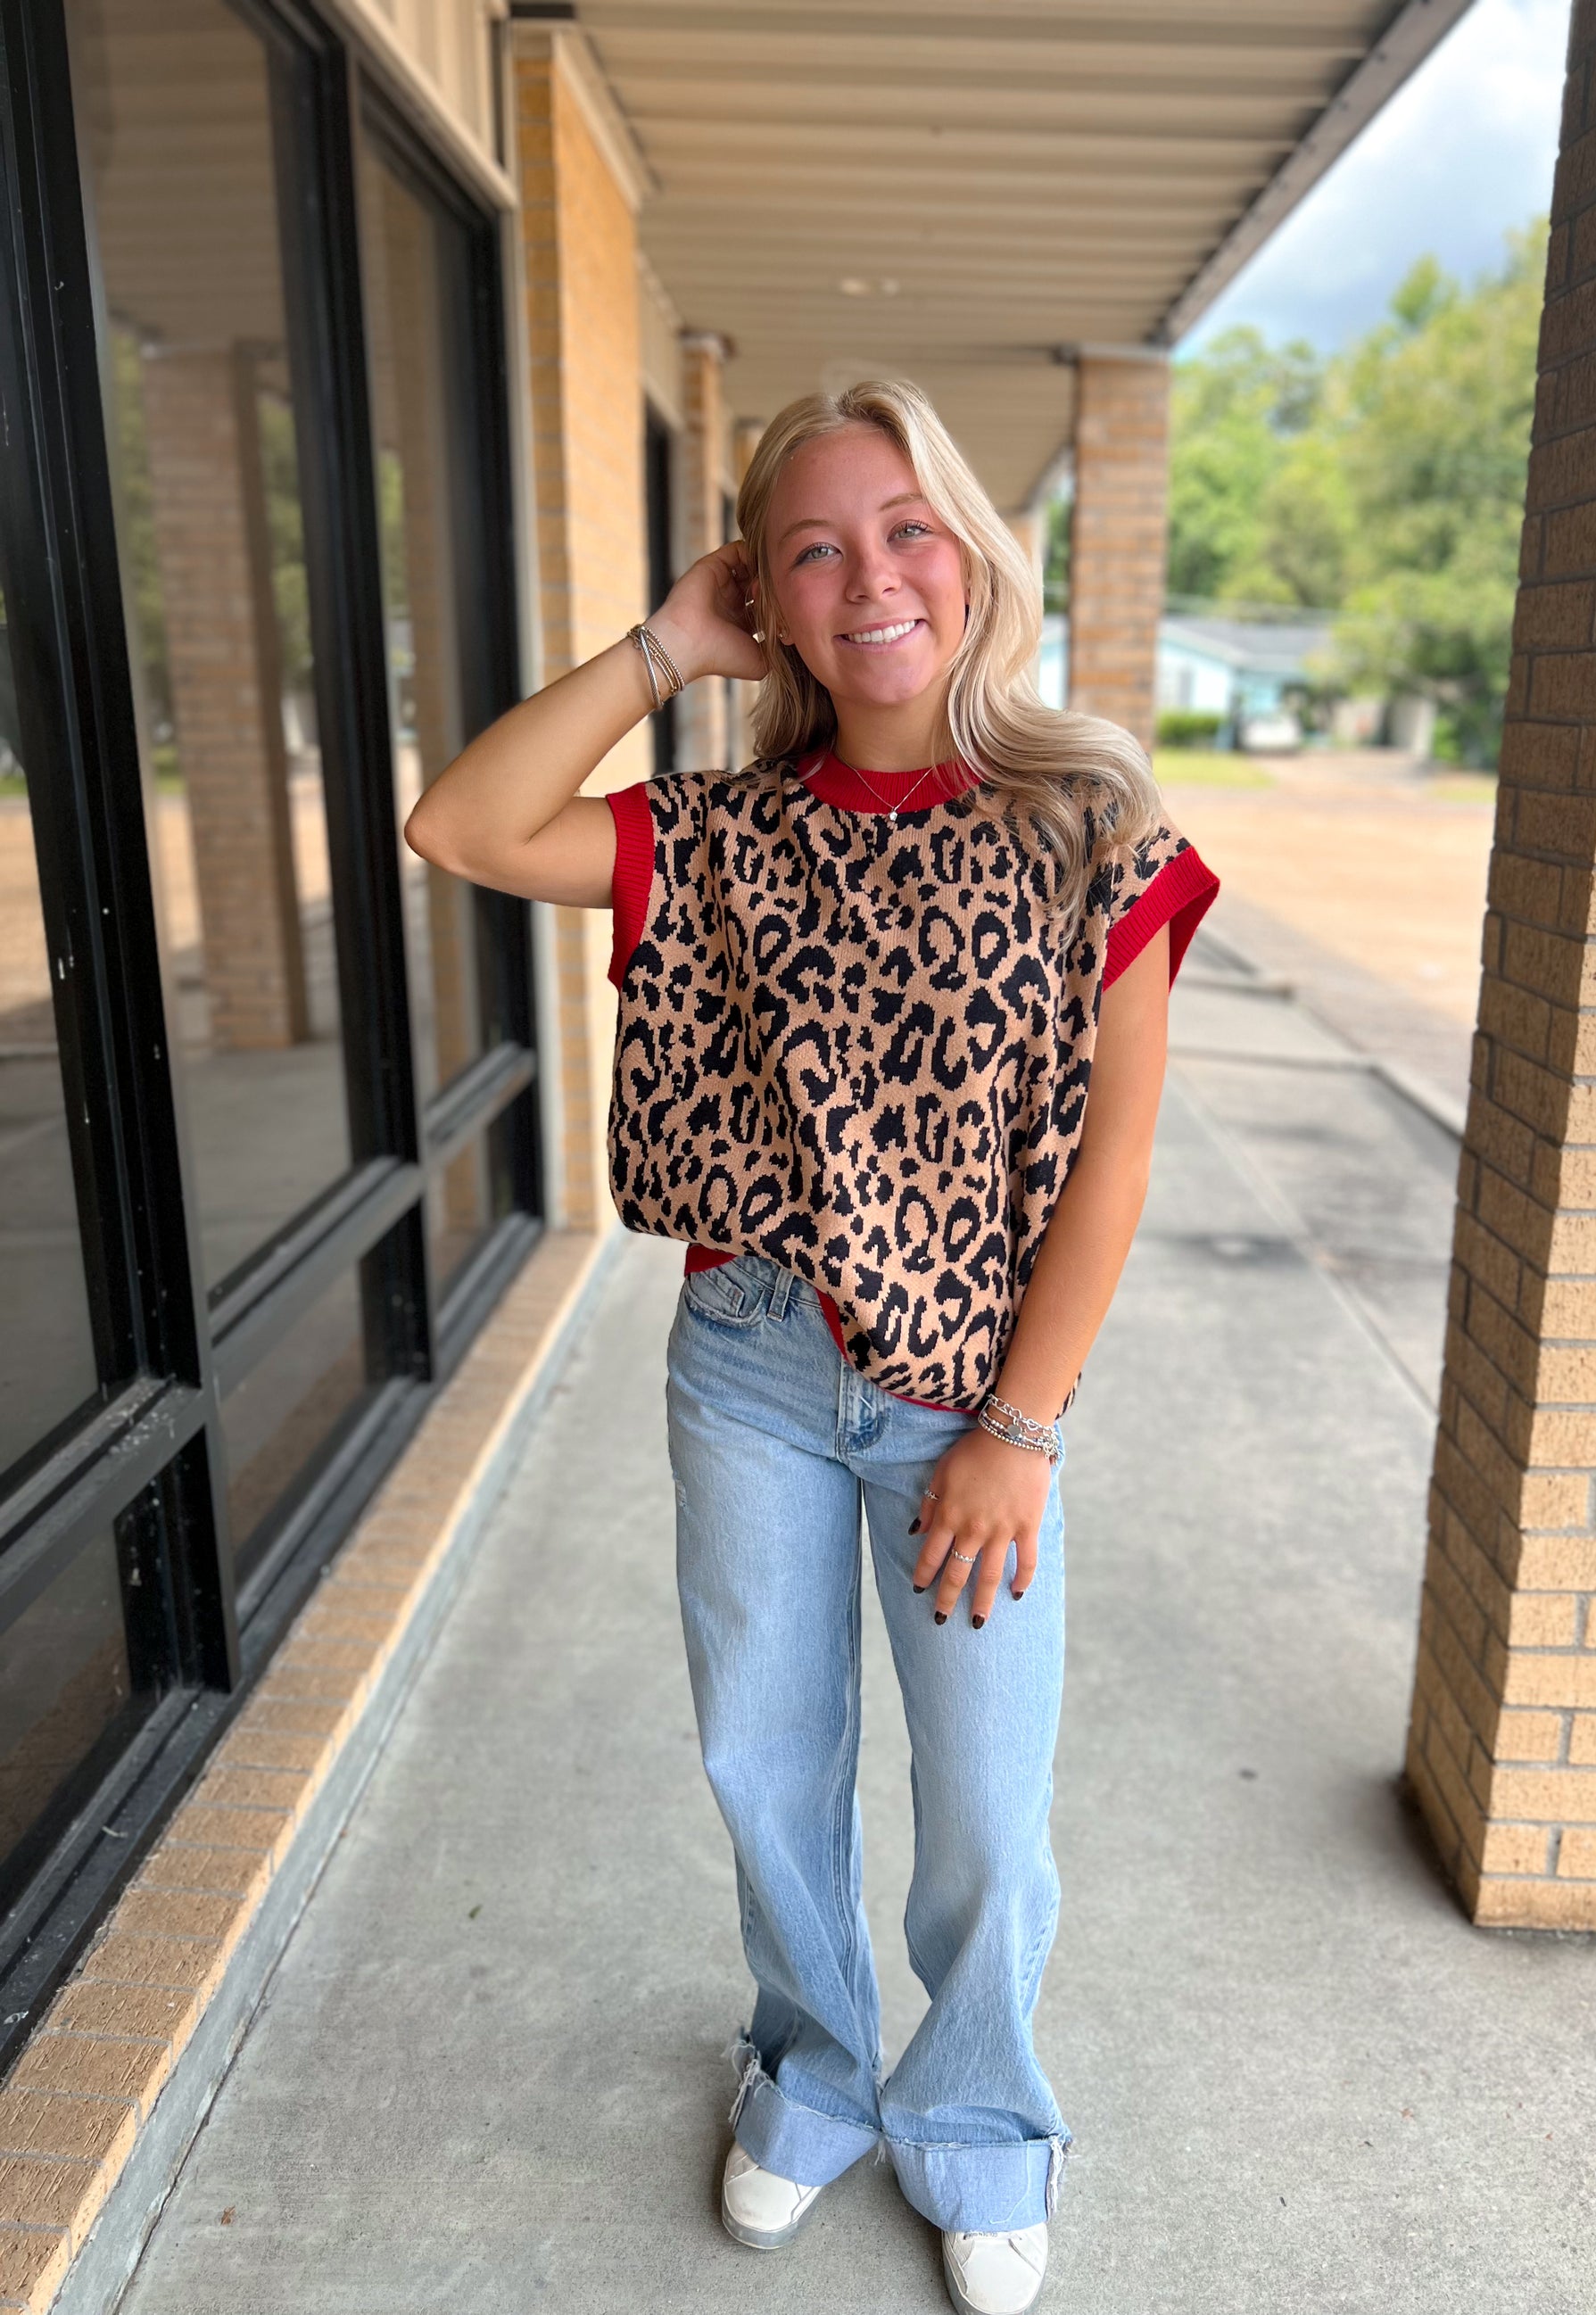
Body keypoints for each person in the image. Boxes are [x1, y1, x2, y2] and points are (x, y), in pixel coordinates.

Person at [406, 379, 1217, 2315]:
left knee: (985, 1800)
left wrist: (1020, 1423)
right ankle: (815, 2070)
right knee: (767, 1758)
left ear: (975, 550)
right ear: (764, 592)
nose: (872, 576)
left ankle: (981, 2118)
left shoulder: (1086, 822)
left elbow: (1108, 1169)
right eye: (815, 545)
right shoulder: (716, 837)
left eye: (909, 527)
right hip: (753, 1359)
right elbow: (462, 819)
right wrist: (663, 647)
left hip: (975, 1385)